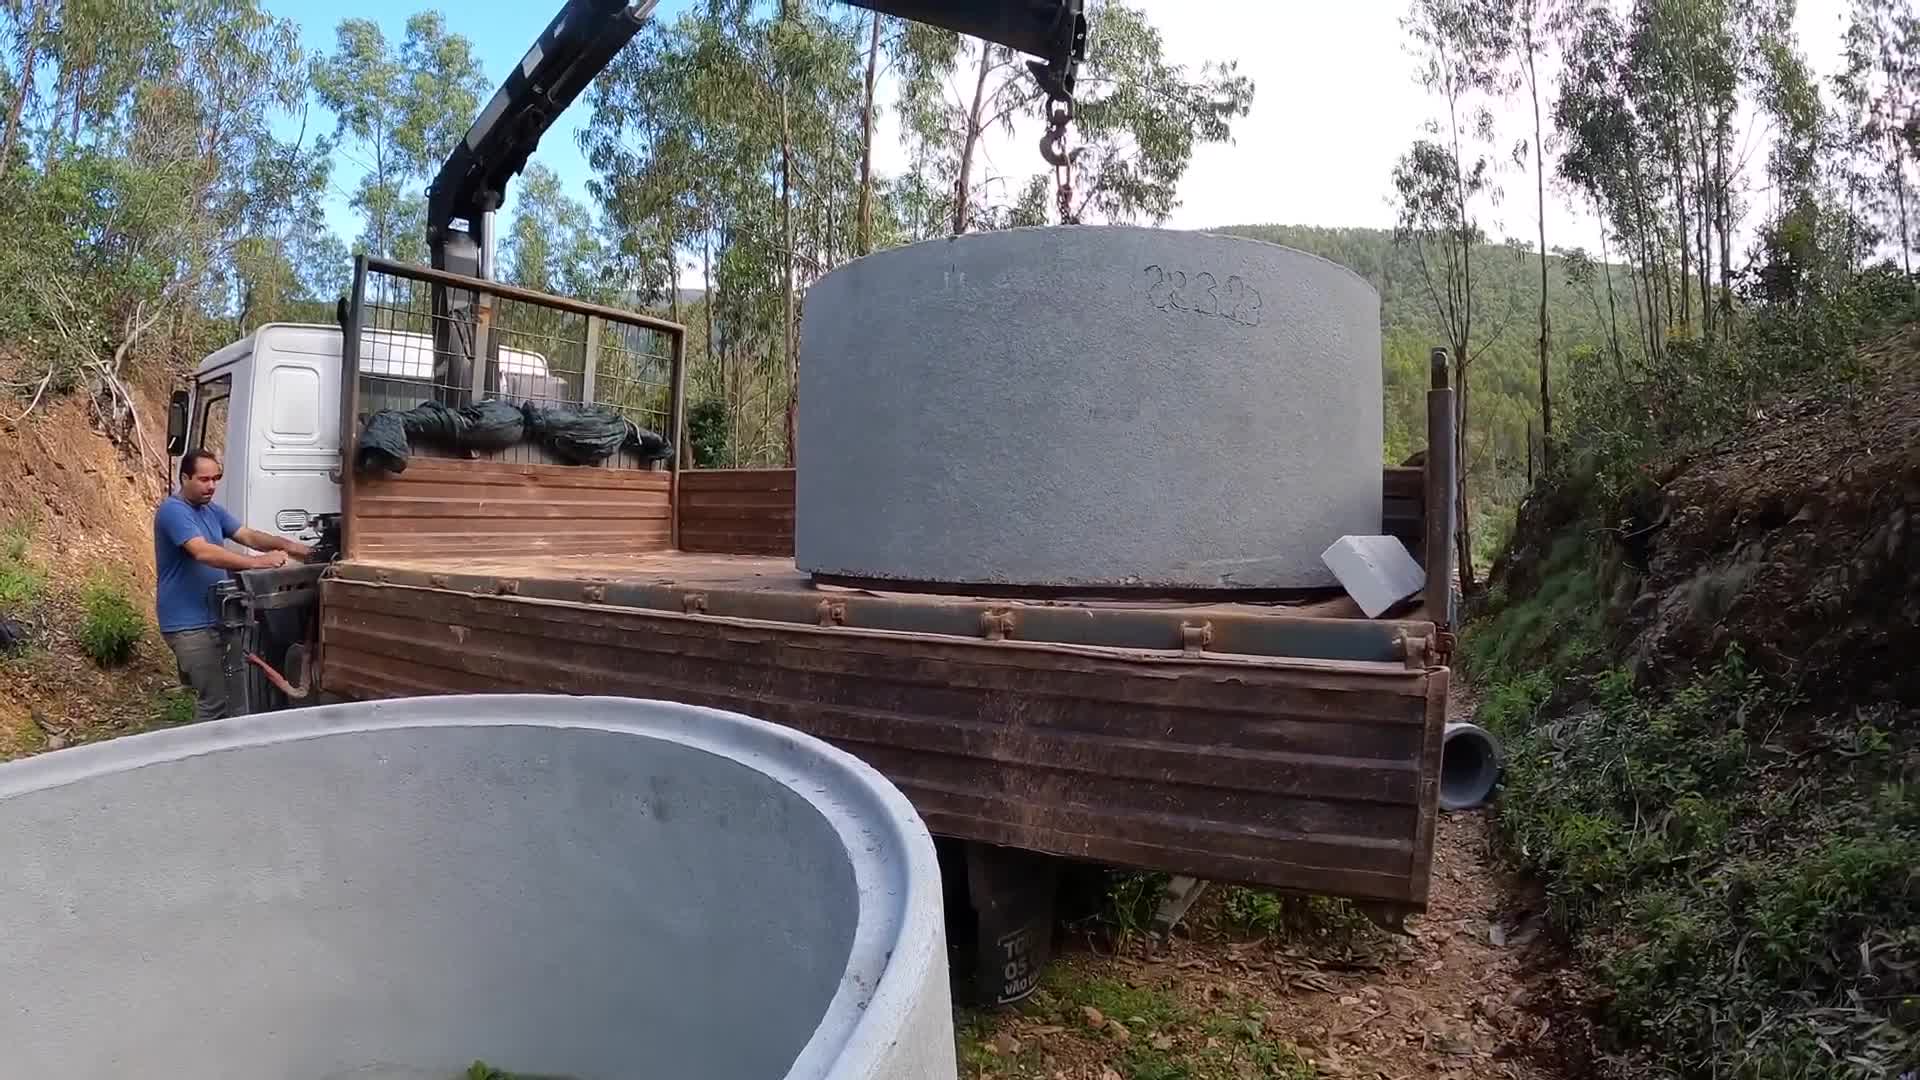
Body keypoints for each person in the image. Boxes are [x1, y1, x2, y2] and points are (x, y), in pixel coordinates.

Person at [155, 449, 312, 722]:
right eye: (204, 479)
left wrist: (287, 545)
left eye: (216, 478)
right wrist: (258, 563)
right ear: (184, 478)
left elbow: (248, 535)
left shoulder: (210, 510)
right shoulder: (173, 511)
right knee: (214, 702)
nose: (212, 486)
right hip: (188, 624)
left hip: (216, 618)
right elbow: (202, 552)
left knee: (231, 696)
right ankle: (200, 759)